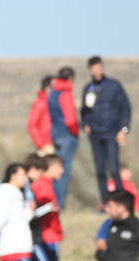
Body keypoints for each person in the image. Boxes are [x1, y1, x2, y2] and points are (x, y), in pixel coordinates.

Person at [81, 56, 131, 208]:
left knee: (114, 168)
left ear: (102, 68)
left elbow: (126, 108)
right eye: (94, 68)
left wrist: (124, 130)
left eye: (99, 67)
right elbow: (84, 111)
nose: (97, 70)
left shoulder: (114, 86)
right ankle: (105, 203)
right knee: (100, 170)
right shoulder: (88, 88)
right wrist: (85, 124)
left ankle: (123, 202)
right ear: (90, 70)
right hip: (95, 134)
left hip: (112, 132)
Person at [30, 154, 65, 261]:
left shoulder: (48, 184)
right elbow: (34, 213)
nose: (62, 171)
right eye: (59, 167)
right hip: (46, 237)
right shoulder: (41, 186)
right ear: (49, 167)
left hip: (52, 235)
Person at [47, 67, 80, 208]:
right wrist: (75, 132)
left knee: (55, 169)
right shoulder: (66, 94)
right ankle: (58, 203)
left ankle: (52, 201)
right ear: (71, 78)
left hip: (56, 135)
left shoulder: (52, 93)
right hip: (67, 136)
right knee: (62, 171)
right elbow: (70, 119)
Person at [28, 76, 54, 154]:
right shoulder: (40, 103)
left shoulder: (55, 103)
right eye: (52, 87)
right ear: (46, 88)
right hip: (46, 145)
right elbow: (32, 126)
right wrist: (41, 144)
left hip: (56, 142)